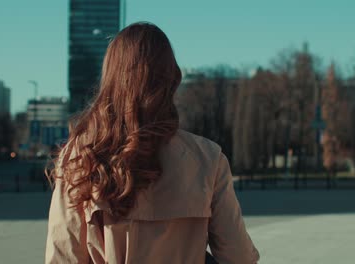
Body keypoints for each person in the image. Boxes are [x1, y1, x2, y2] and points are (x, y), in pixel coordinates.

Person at [45, 22, 259, 264]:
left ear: (111, 77)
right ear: (171, 78)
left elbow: (64, 257)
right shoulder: (207, 157)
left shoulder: (81, 156)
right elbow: (238, 256)